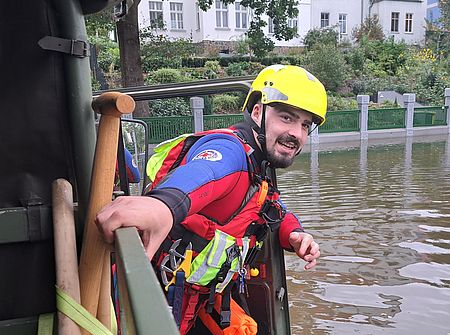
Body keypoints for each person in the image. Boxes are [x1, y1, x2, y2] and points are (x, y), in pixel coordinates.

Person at [96, 65, 326, 334]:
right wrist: (163, 206)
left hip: (196, 303)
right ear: (257, 112)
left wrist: (295, 234)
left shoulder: (259, 166)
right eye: (287, 118)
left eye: (305, 125)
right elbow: (204, 173)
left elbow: (273, 207)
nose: (297, 134)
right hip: (154, 303)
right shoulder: (229, 150)